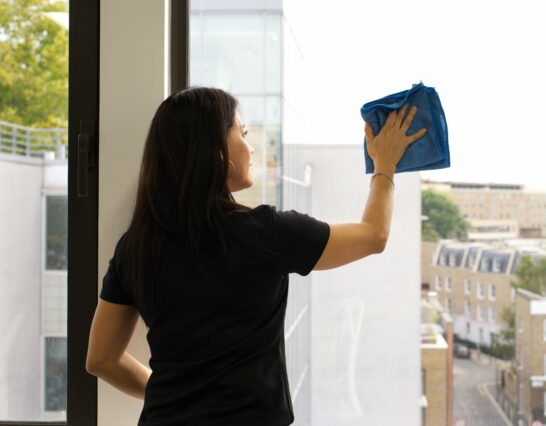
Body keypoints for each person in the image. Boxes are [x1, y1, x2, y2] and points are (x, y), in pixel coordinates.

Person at [85, 86, 426, 426]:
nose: (251, 148)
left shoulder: (136, 247)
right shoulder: (265, 233)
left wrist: (173, 398)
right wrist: (385, 166)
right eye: (243, 133)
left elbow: (101, 359)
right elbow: (373, 235)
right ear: (216, 150)